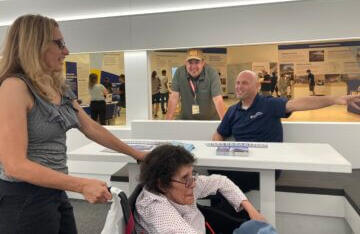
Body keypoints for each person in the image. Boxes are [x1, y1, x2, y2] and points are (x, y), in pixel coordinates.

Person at [0, 14, 146, 234]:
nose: (66, 51)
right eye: (59, 44)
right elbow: (14, 165)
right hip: (23, 198)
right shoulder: (14, 87)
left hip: (55, 190)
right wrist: (80, 185)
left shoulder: (58, 87)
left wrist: (137, 154)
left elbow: (91, 128)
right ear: (35, 45)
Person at [212, 70, 360, 192]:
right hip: (243, 164)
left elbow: (300, 103)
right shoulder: (232, 111)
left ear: (257, 86)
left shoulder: (268, 104)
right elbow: (219, 134)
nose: (239, 86)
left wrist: (334, 99)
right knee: (213, 174)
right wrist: (220, 153)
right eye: (238, 82)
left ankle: (228, 220)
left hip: (265, 166)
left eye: (244, 83)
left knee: (222, 185)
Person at [135, 144, 271, 234]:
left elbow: (221, 181)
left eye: (192, 175)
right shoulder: (155, 208)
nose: (193, 183)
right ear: (162, 185)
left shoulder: (181, 186)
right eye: (185, 177)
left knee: (256, 227)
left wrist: (251, 210)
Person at [166, 49, 225, 120]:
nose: (193, 66)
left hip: (209, 119)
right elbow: (173, 97)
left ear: (203, 62)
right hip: (186, 118)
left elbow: (217, 99)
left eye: (197, 62)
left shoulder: (212, 72)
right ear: (185, 63)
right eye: (190, 62)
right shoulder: (179, 72)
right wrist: (167, 122)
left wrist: (225, 123)